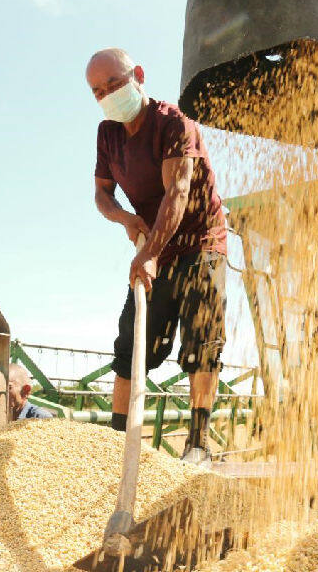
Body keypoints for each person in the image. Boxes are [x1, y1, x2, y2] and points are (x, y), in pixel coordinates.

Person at [86, 47, 228, 466]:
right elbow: (100, 192)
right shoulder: (108, 133)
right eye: (98, 91)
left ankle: (198, 442)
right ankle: (117, 443)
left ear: (139, 75)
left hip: (201, 241)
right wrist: (125, 219)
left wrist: (150, 253)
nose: (108, 94)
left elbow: (178, 193)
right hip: (152, 246)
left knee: (202, 340)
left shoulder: (173, 124)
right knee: (132, 341)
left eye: (114, 83)